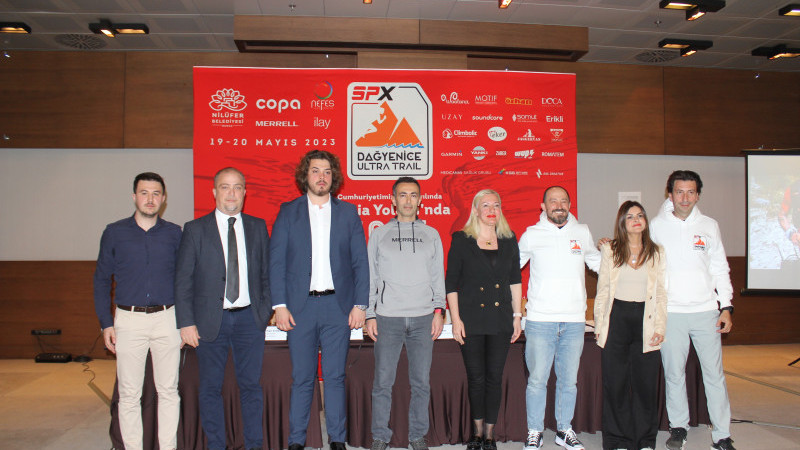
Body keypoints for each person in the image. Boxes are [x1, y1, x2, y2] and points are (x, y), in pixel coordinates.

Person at [270, 149, 370, 450]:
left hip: (337, 308)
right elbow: (276, 261)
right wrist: (279, 305)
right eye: (315, 170)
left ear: (333, 177)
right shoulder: (288, 211)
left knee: (335, 377)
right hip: (299, 309)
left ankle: (337, 439)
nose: (321, 177)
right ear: (306, 175)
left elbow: (360, 263)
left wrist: (360, 305)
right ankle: (296, 441)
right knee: (302, 377)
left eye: (327, 171)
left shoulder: (348, 213)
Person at [174, 167, 271, 450]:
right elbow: (183, 280)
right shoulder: (195, 229)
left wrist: (264, 312)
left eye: (237, 187)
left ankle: (254, 445)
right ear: (214, 192)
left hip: (249, 320)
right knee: (210, 388)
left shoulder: (257, 227)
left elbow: (266, 275)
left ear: (245, 192)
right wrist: (186, 322)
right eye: (225, 187)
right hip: (209, 321)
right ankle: (216, 445)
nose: (231, 193)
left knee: (251, 387)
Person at [93, 172, 182, 450]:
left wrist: (185, 321)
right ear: (134, 197)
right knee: (129, 394)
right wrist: (106, 323)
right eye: (144, 193)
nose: (150, 199)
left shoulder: (175, 234)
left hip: (168, 318)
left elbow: (185, 280)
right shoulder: (114, 232)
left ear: (164, 199)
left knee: (168, 391)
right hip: (128, 320)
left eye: (156, 193)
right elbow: (101, 280)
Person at [650, 170, 735, 450]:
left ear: (698, 195)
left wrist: (726, 306)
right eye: (679, 192)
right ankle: (678, 428)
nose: (685, 198)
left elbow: (720, 268)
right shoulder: (656, 226)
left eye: (690, 192)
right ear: (670, 194)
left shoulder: (710, 225)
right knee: (674, 374)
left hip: (706, 312)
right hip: (671, 313)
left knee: (714, 375)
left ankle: (721, 435)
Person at [366, 177, 447, 450]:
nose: (408, 200)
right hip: (387, 318)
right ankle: (379, 436)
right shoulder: (379, 234)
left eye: (413, 195)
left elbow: (438, 277)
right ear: (393, 200)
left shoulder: (431, 234)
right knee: (382, 383)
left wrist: (439, 311)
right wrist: (370, 313)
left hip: (424, 318)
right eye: (402, 195)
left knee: (421, 383)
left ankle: (417, 436)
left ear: (420, 200)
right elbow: (371, 277)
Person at [518, 185, 601, 450]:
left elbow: (598, 263)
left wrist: (620, 257)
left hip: (574, 321)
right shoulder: (531, 234)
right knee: (537, 381)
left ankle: (564, 430)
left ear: (569, 205)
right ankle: (535, 431)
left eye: (563, 200)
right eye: (553, 201)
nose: (559, 205)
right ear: (543, 206)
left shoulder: (582, 232)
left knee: (569, 381)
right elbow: (511, 269)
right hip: (540, 320)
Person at [445, 189, 523, 450]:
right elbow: (451, 283)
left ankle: (490, 434)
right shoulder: (461, 239)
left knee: (494, 378)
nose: (492, 210)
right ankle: (477, 433)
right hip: (471, 319)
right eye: (486, 205)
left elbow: (515, 281)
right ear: (475, 210)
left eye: (496, 205)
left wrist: (517, 316)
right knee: (476, 378)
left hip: (500, 319)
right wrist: (456, 319)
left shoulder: (509, 239)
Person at [593, 201, 667, 450]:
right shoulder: (610, 250)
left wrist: (660, 327)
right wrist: (600, 325)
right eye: (630, 216)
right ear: (622, 223)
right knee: (616, 384)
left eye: (640, 215)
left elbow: (661, 292)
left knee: (645, 384)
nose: (636, 220)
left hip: (646, 320)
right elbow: (603, 290)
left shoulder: (657, 252)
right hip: (617, 318)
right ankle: (617, 440)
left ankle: (645, 440)